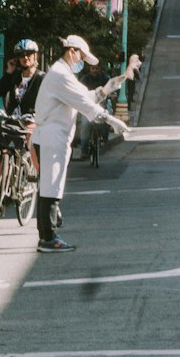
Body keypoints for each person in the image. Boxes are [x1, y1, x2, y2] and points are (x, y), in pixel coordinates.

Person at [30, 35, 131, 253]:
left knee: (50, 185)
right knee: (50, 187)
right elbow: (85, 104)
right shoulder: (60, 75)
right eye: (82, 57)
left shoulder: (63, 74)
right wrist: (111, 119)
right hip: (51, 135)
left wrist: (106, 89)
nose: (82, 62)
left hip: (54, 136)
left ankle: (47, 234)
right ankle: (49, 237)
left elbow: (84, 96)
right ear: (72, 51)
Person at [0, 39, 43, 116]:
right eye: (22, 55)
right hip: (13, 122)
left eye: (29, 54)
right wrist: (9, 72)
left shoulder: (41, 78)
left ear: (35, 56)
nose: (25, 57)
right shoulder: (15, 76)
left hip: (32, 124)